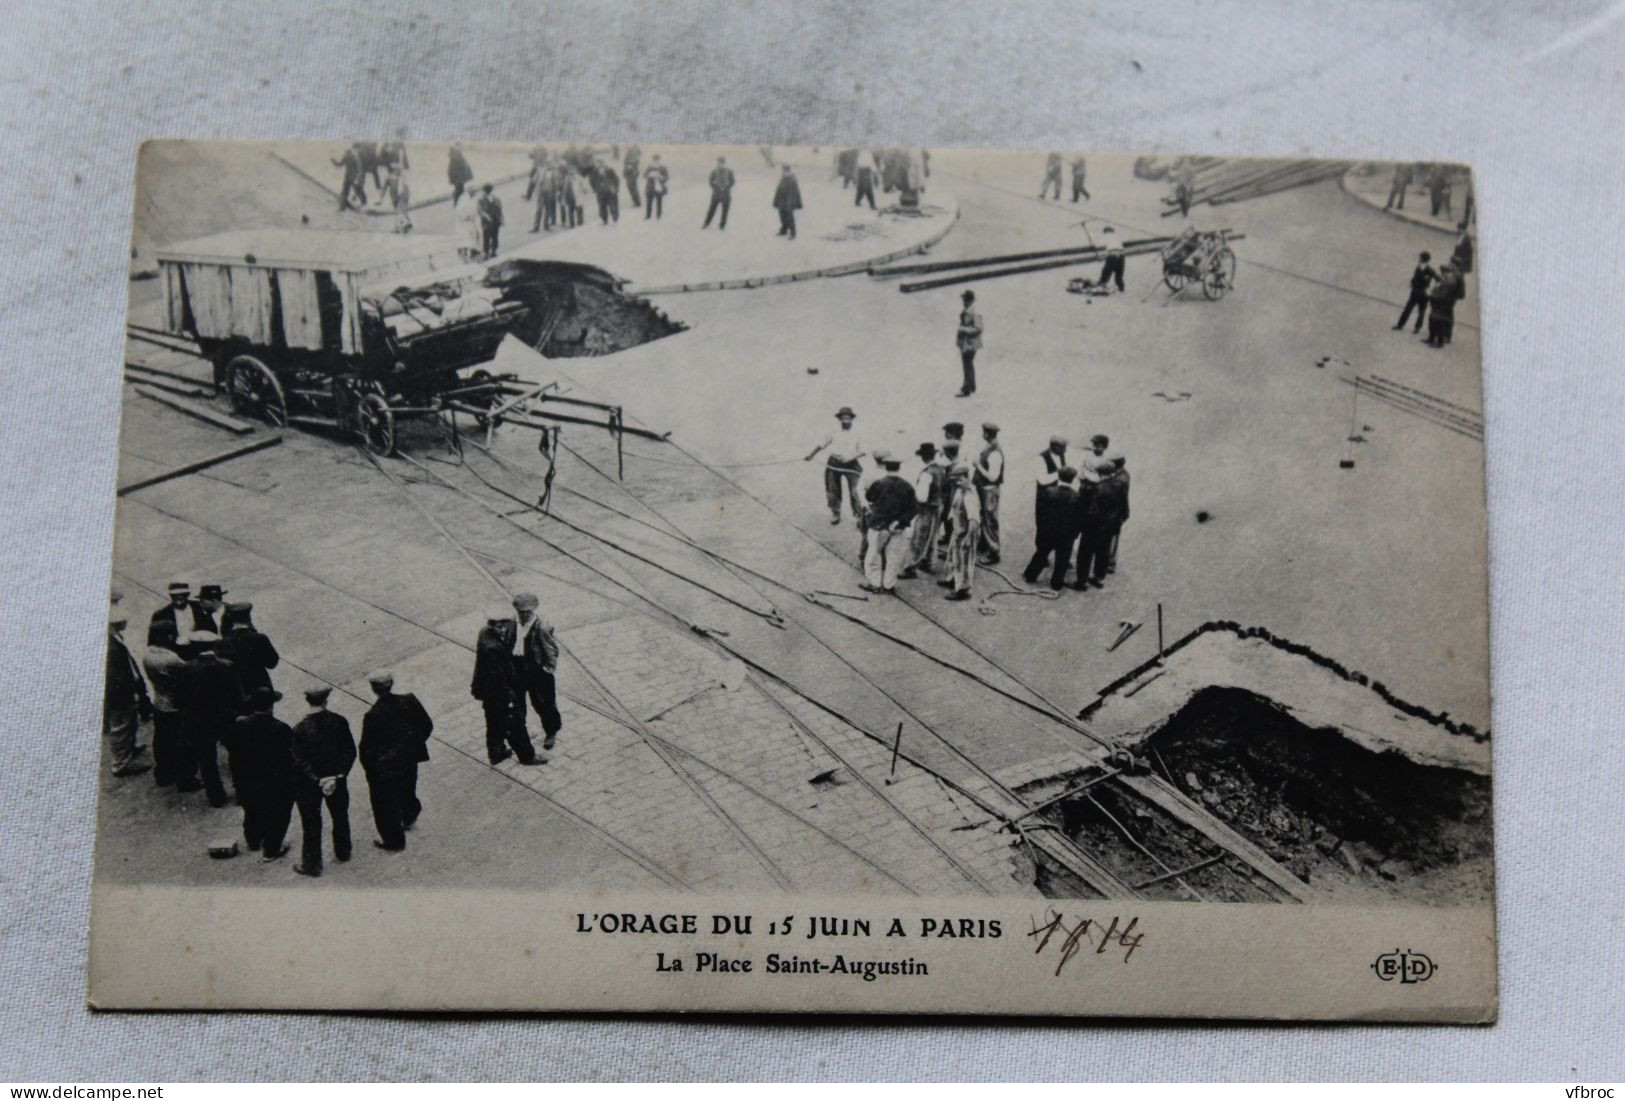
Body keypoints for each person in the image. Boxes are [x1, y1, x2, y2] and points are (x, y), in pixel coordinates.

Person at [360, 671, 433, 851]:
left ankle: (394, 841)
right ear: (391, 683)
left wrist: (373, 769)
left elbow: (366, 749)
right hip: (409, 758)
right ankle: (409, 816)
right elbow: (427, 725)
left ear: (373, 689)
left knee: (387, 802)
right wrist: (414, 744)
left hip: (388, 766)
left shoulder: (372, 715)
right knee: (408, 787)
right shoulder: (409, 700)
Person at [222, 687, 297, 860]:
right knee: (278, 813)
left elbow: (231, 749)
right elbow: (289, 757)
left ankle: (254, 840)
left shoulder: (240, 725)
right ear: (271, 706)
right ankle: (272, 849)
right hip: (273, 780)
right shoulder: (281, 728)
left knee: (251, 809)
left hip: (246, 778)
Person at [290, 686, 356, 877]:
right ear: (326, 701)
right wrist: (338, 775)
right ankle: (343, 852)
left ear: (307, 701)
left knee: (311, 822)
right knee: (340, 815)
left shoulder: (299, 729)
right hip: (337, 780)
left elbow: (298, 761)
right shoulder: (339, 721)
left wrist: (317, 779)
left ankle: (312, 864)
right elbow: (350, 751)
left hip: (309, 784)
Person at [471, 610, 541, 766]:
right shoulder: (493, 648)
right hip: (498, 691)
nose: (502, 629)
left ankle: (496, 753)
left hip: (487, 690)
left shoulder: (484, 633)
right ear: (492, 625)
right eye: (498, 626)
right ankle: (527, 756)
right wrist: (509, 700)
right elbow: (498, 679)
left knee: (494, 721)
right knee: (516, 723)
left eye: (504, 625)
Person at [182, 631, 240, 806]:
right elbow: (237, 696)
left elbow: (184, 697)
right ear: (214, 646)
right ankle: (241, 792)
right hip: (225, 717)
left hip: (200, 719)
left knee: (207, 759)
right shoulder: (227, 665)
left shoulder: (187, 667)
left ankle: (216, 796)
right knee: (236, 754)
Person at [142, 619, 195, 789]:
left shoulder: (148, 653)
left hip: (159, 701)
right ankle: (184, 777)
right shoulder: (171, 659)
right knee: (182, 742)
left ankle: (163, 773)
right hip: (175, 704)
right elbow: (188, 674)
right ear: (170, 636)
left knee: (162, 741)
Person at [507, 593, 563, 753]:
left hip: (537, 671)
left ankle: (551, 731)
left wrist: (547, 669)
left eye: (526, 612)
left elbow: (551, 650)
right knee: (517, 705)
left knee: (543, 704)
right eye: (521, 612)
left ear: (532, 610)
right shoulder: (513, 622)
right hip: (517, 669)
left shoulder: (541, 627)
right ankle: (520, 735)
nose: (523, 615)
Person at [859, 451, 918, 595]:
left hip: (879, 526)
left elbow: (869, 497)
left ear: (885, 467)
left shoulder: (879, 484)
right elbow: (914, 508)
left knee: (874, 555)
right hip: (899, 527)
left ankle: (875, 583)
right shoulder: (907, 486)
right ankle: (889, 584)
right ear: (899, 467)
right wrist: (900, 521)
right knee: (894, 558)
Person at [103, 614, 152, 778]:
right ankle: (121, 764)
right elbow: (114, 676)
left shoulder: (116, 638)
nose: (125, 623)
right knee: (120, 727)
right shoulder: (111, 646)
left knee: (129, 723)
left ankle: (129, 749)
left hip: (126, 690)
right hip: (120, 695)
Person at [804, 406, 866, 525]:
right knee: (832, 489)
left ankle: (859, 516)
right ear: (839, 419)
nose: (845, 421)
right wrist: (811, 455)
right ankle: (835, 513)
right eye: (843, 418)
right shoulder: (833, 431)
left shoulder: (858, 432)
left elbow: (863, 450)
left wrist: (850, 457)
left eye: (848, 418)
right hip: (834, 463)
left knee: (855, 491)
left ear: (852, 419)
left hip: (851, 464)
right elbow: (821, 444)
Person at [1023, 466, 1081, 590]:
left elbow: (1041, 513)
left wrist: (1041, 529)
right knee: (1063, 559)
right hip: (1066, 535)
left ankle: (1030, 575)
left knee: (1041, 553)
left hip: (1049, 532)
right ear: (1072, 479)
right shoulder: (1076, 496)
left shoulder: (1049, 492)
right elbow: (1078, 519)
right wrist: (1075, 534)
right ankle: (1057, 583)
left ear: (1059, 477)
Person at [1079, 455, 1129, 587]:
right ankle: (1099, 578)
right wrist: (1118, 520)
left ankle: (1081, 581)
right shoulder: (1119, 485)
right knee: (1103, 552)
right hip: (1109, 526)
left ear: (1100, 473)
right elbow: (1124, 507)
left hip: (1093, 526)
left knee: (1085, 553)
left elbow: (1091, 509)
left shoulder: (1096, 488)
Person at [898, 442, 946, 579]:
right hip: (938, 506)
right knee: (933, 535)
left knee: (919, 537)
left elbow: (922, 497)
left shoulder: (926, 474)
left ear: (923, 457)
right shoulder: (941, 470)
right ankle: (929, 562)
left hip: (927, 508)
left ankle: (910, 568)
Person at [938, 463, 982, 601]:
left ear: (967, 477)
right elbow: (955, 507)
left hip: (966, 533)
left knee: (964, 561)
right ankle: (952, 579)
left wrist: (968, 538)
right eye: (955, 480)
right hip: (958, 531)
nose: (957, 483)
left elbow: (974, 521)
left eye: (960, 480)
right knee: (953, 557)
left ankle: (963, 589)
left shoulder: (969, 496)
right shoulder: (959, 491)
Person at [221, 602, 279, 696]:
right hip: (260, 688)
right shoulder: (259, 638)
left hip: (237, 691)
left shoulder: (224, 641)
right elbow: (272, 663)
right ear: (248, 617)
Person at [973, 422, 1004, 565]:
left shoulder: (995, 453)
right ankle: (984, 544)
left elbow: (993, 477)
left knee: (990, 521)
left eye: (984, 432)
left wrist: (978, 465)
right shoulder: (990, 447)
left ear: (987, 434)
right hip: (984, 489)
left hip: (989, 491)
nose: (982, 434)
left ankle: (993, 552)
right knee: (984, 518)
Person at [150, 581, 213, 652]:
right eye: (174, 595)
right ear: (170, 596)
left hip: (200, 649)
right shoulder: (161, 614)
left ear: (187, 594)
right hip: (175, 651)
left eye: (182, 595)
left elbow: (212, 629)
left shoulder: (200, 607)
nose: (178, 597)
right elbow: (152, 642)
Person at [936, 423, 965, 556]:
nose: (946, 435)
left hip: (954, 486)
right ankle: (948, 537)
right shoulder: (950, 446)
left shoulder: (959, 448)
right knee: (947, 513)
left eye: (948, 433)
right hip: (948, 486)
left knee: (952, 513)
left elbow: (949, 464)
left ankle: (951, 545)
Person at [1394, 251, 1437, 333]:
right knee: (1407, 309)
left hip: (1423, 293)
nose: (1419, 259)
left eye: (1420, 257)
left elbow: (1437, 279)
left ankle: (1417, 327)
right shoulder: (1418, 267)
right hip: (1415, 292)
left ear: (1423, 259)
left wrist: (1431, 290)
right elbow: (1415, 278)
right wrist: (1412, 283)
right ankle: (1400, 324)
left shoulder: (1430, 270)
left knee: (1421, 312)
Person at [1425, 262, 1466, 348]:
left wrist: (1431, 295)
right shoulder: (1446, 280)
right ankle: (1432, 338)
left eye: (1442, 272)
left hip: (1441, 305)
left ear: (1446, 272)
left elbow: (1443, 295)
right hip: (1439, 304)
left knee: (1439, 323)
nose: (1442, 274)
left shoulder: (1449, 282)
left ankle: (1439, 342)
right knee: (1433, 320)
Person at [1105, 452, 1130, 574]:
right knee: (1112, 538)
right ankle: (1109, 562)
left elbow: (1122, 499)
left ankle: (1110, 563)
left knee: (1112, 539)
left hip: (1114, 513)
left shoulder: (1119, 479)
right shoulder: (1124, 474)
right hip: (1116, 513)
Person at [955, 291, 983, 397]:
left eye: (965, 300)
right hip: (966, 343)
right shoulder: (967, 310)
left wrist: (964, 329)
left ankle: (967, 388)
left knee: (967, 364)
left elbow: (979, 328)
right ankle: (971, 385)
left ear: (970, 301)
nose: (963, 302)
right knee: (967, 364)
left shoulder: (974, 313)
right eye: (963, 300)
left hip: (971, 343)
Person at [703, 157, 735, 229]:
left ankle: (722, 225)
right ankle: (706, 224)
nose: (720, 164)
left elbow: (732, 181)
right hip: (716, 195)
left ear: (724, 163)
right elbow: (710, 182)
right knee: (711, 210)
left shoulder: (729, 172)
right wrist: (716, 187)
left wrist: (726, 187)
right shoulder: (714, 172)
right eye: (719, 163)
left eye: (722, 163)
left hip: (726, 195)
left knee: (725, 211)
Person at [772, 164, 803, 239]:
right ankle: (784, 230)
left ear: (786, 170)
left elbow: (792, 192)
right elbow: (780, 189)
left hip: (789, 201)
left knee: (789, 216)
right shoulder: (784, 177)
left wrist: (790, 203)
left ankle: (792, 233)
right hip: (782, 201)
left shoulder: (791, 178)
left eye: (783, 170)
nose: (782, 172)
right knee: (782, 214)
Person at [331, 144, 365, 210]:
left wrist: (333, 160)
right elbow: (359, 168)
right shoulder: (353, 157)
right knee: (353, 190)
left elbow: (339, 164)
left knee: (349, 191)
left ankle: (343, 206)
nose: (346, 153)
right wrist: (359, 177)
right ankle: (343, 206)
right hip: (351, 176)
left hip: (350, 176)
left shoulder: (350, 157)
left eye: (346, 152)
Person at [477, 182, 504, 259]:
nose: (487, 192)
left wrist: (502, 219)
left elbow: (500, 210)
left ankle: (494, 251)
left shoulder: (496, 199)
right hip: (486, 222)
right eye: (486, 191)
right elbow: (480, 211)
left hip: (496, 220)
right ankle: (486, 252)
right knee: (486, 237)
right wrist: (486, 216)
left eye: (488, 191)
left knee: (495, 236)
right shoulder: (481, 200)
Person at [1096, 226, 1126, 293]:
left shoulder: (1106, 236)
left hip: (1112, 255)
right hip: (1121, 256)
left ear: (1106, 232)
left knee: (1106, 271)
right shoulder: (1117, 236)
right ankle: (1121, 288)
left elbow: (1100, 245)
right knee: (1119, 274)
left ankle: (1102, 285)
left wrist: (1101, 257)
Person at [455, 186, 482, 260]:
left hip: (472, 221)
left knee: (474, 235)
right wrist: (466, 217)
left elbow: (475, 209)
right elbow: (459, 210)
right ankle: (462, 251)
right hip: (464, 222)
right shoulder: (463, 199)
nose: (475, 193)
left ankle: (473, 250)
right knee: (465, 236)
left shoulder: (473, 199)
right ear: (470, 191)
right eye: (473, 192)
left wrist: (475, 216)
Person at [592, 159, 620, 225]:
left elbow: (616, 179)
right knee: (602, 206)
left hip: (610, 191)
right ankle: (604, 220)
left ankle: (615, 219)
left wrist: (616, 188)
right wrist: (595, 188)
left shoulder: (609, 170)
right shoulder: (595, 172)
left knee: (613, 205)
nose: (600, 165)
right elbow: (592, 181)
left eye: (601, 163)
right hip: (600, 192)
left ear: (604, 163)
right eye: (598, 163)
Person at [447, 142, 473, 208]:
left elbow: (454, 168)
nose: (461, 148)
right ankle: (456, 203)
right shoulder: (456, 155)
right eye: (459, 146)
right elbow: (458, 167)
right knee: (459, 190)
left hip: (458, 177)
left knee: (459, 189)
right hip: (459, 177)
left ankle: (457, 203)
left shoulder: (456, 155)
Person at [643, 156, 669, 220]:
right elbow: (644, 175)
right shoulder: (649, 167)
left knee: (659, 202)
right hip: (650, 187)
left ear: (660, 160)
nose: (656, 161)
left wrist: (661, 177)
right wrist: (650, 176)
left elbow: (667, 177)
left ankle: (658, 215)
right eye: (655, 160)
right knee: (649, 202)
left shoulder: (663, 168)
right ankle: (648, 216)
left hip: (659, 187)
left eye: (657, 160)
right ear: (653, 160)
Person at [390, 166, 413, 234]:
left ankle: (404, 225)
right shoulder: (400, 177)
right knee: (401, 211)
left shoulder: (400, 177)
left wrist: (401, 196)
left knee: (399, 211)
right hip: (401, 195)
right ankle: (401, 227)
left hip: (402, 195)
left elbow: (400, 188)